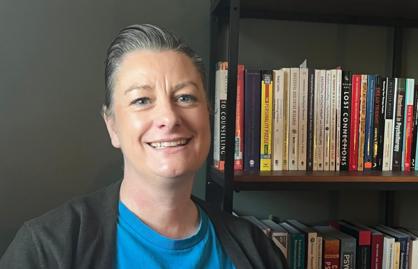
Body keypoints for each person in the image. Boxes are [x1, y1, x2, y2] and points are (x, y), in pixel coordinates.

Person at [0, 24, 287, 269]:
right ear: (112, 126)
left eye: (185, 97)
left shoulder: (257, 251)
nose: (169, 118)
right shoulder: (46, 249)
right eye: (141, 100)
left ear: (208, 114)